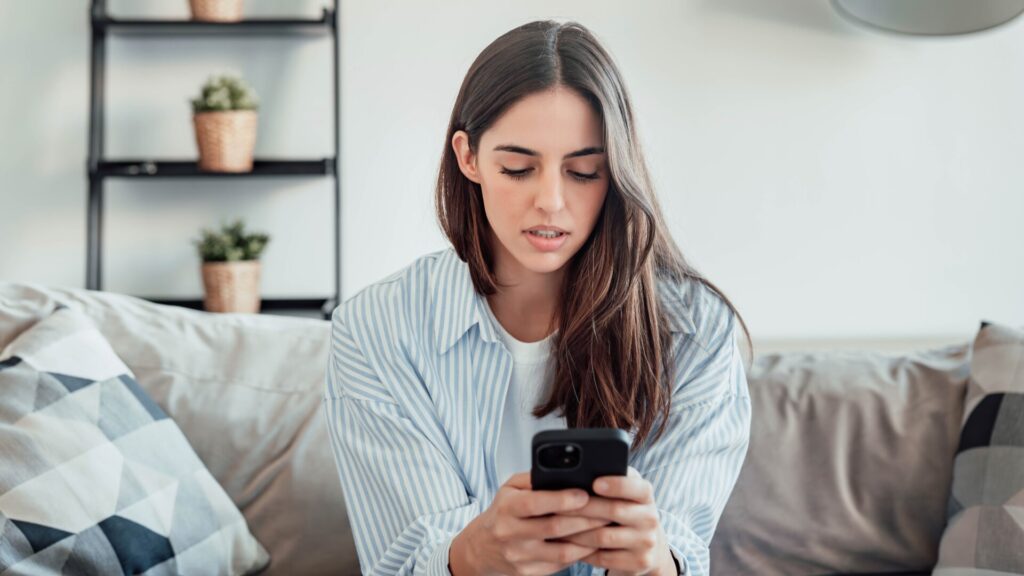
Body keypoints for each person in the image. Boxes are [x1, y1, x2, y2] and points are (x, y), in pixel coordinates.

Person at [324, 19, 752, 576]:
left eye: (584, 172)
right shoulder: (375, 331)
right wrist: (469, 556)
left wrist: (653, 563)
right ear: (469, 157)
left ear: (616, 171)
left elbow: (683, 553)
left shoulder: (695, 331)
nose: (550, 201)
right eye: (518, 169)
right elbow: (402, 562)